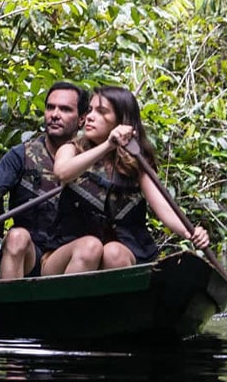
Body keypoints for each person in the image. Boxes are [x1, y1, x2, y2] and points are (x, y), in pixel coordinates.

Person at [40, 85, 210, 275]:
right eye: (90, 110)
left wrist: (190, 233)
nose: (89, 117)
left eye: (101, 112)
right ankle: (69, 303)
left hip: (124, 251)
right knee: (90, 247)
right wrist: (107, 146)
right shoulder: (71, 149)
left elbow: (163, 206)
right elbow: (62, 172)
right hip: (64, 255)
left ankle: (117, 303)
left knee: (114, 252)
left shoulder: (137, 162)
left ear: (120, 121)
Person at [0, 81, 89, 279]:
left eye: (65, 109)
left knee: (91, 246)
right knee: (16, 237)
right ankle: (11, 306)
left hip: (71, 259)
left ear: (82, 119)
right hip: (29, 256)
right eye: (51, 107)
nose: (55, 114)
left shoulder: (93, 157)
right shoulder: (22, 154)